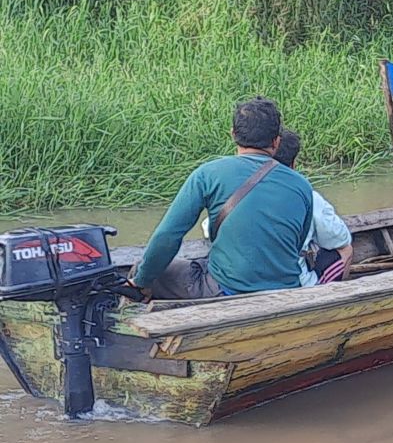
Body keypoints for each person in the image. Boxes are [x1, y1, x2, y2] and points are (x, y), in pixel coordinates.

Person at [127, 97, 314, 300]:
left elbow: (167, 237)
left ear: (233, 135)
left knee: (140, 269)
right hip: (287, 290)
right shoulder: (302, 185)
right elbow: (296, 244)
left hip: (227, 288)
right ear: (276, 142)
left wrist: (142, 281)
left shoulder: (208, 174)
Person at [272, 129, 353, 285]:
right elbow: (341, 239)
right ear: (294, 164)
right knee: (346, 250)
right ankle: (331, 301)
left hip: (240, 282)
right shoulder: (308, 196)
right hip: (294, 284)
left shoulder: (239, 190)